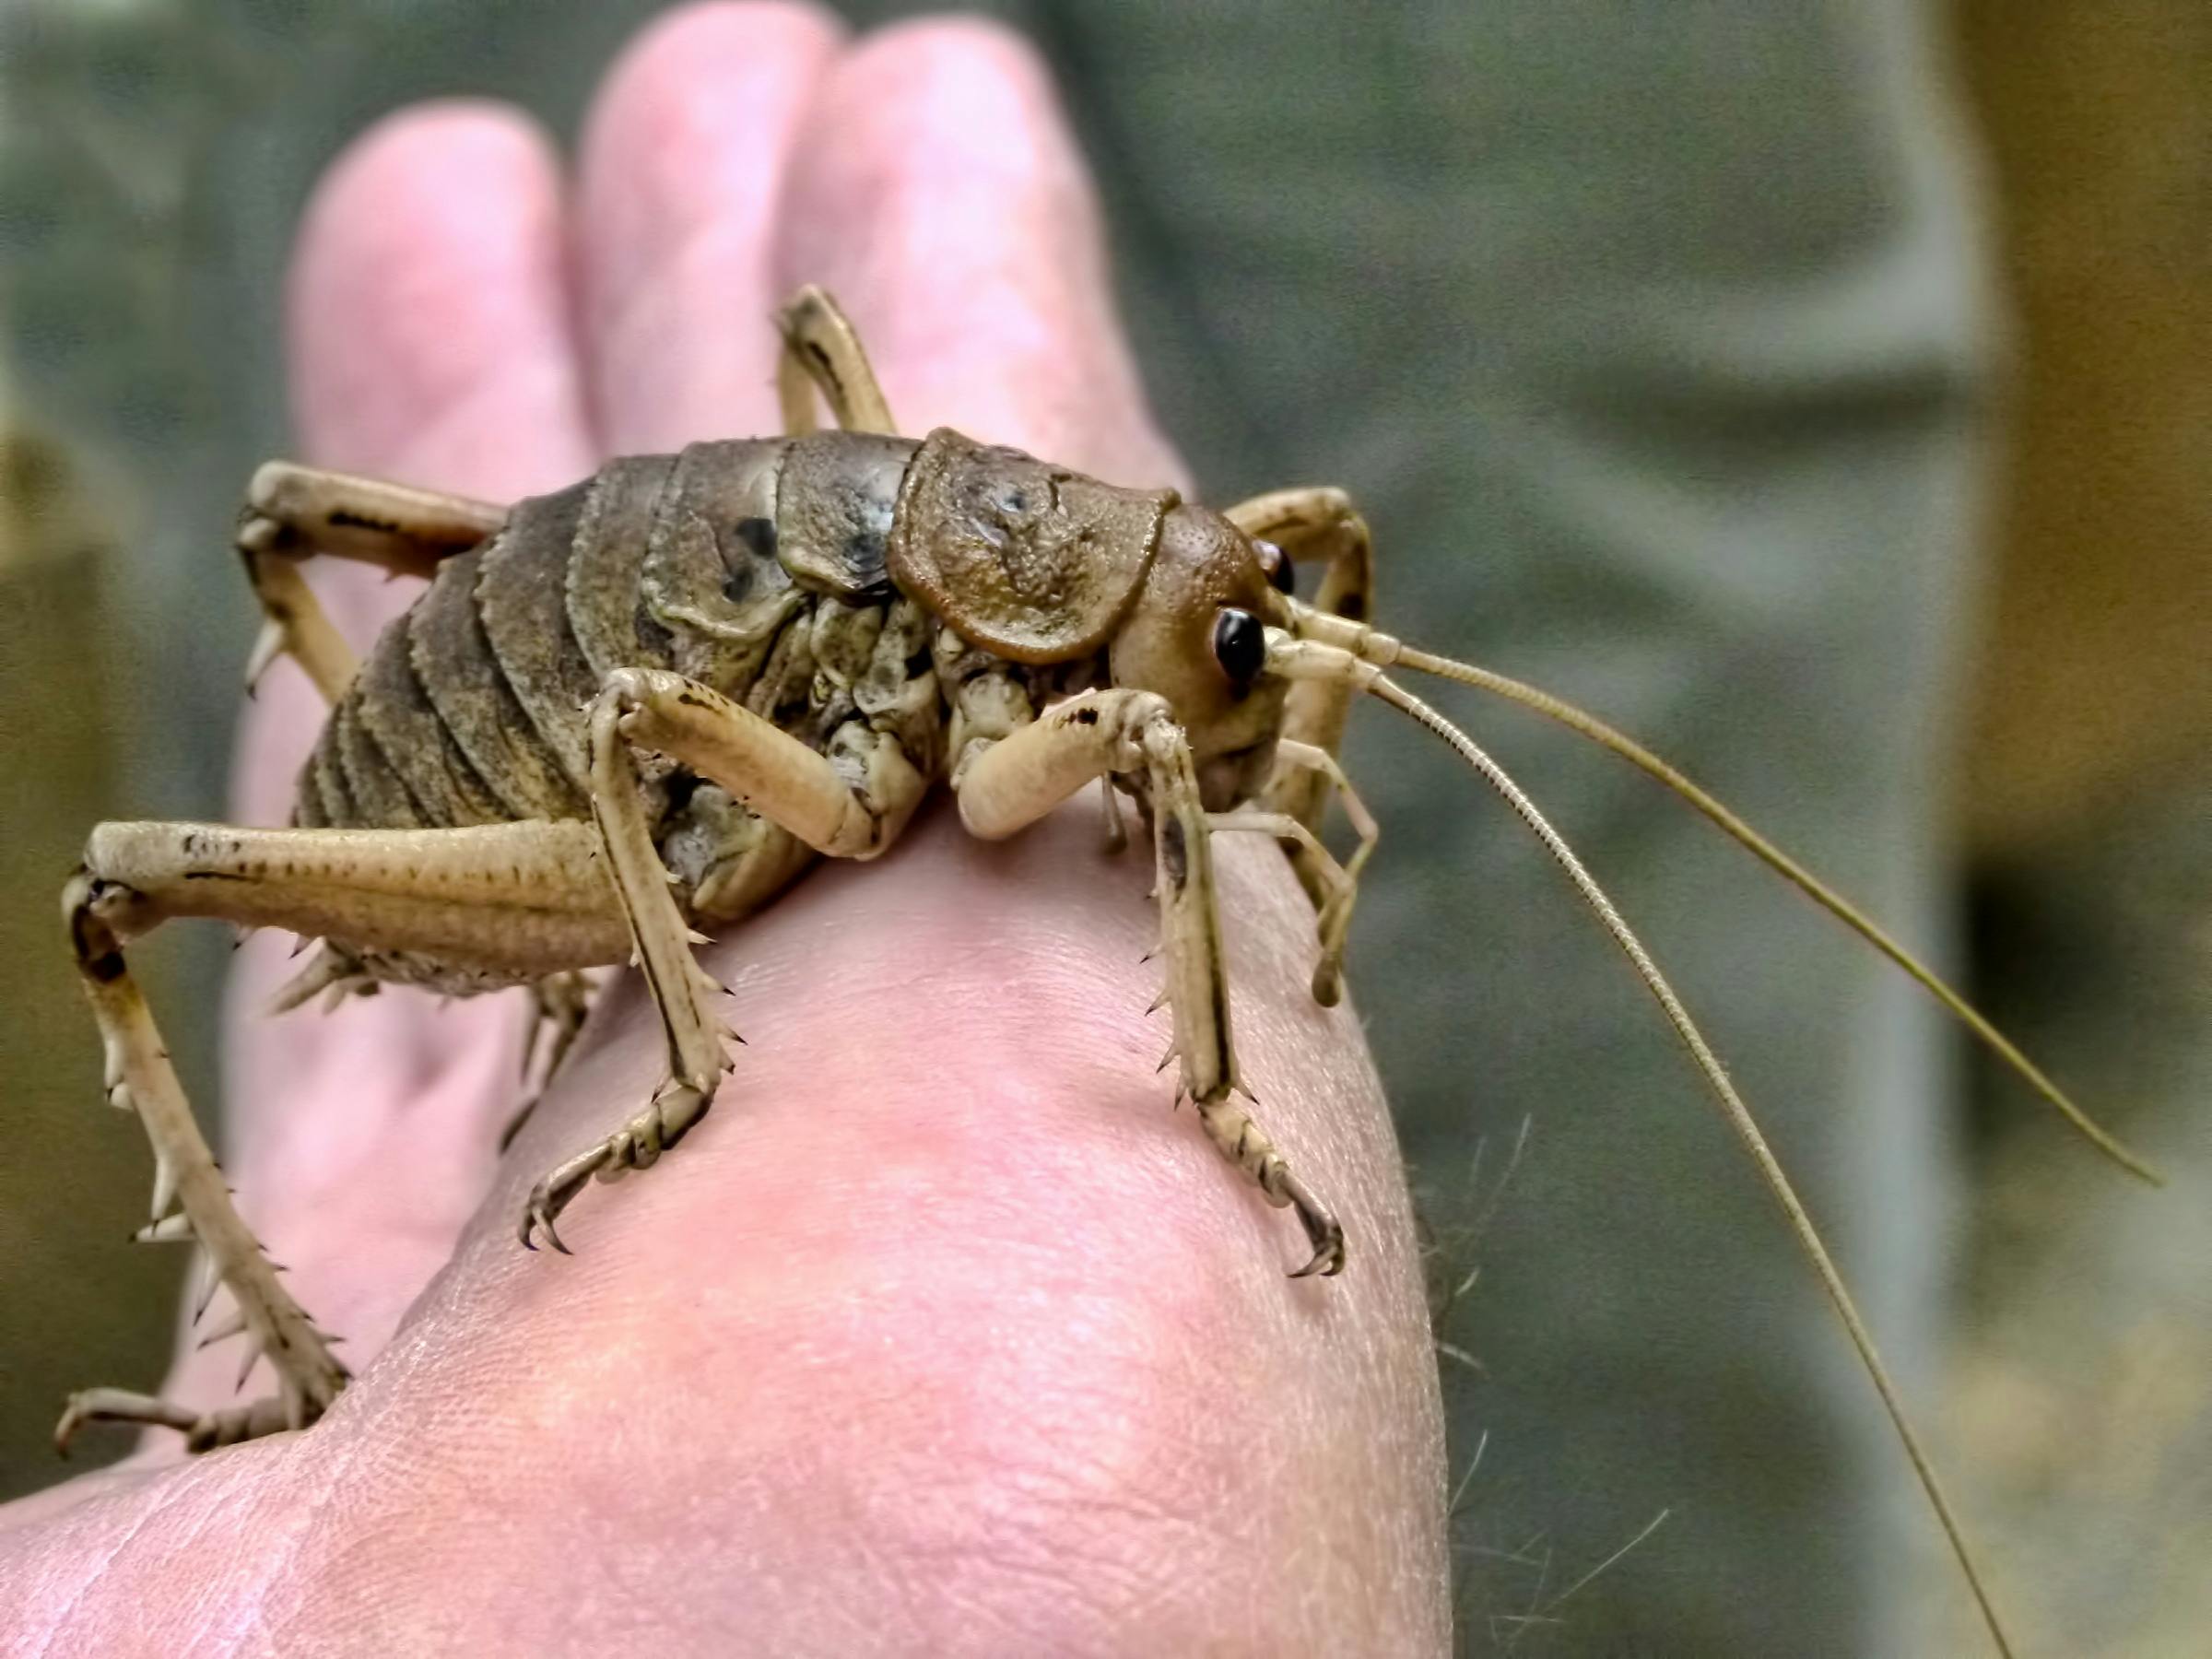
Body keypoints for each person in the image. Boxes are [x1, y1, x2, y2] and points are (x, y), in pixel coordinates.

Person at [0, 12, 1449, 1651]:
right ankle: (302, 1375)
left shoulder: (1023, 627)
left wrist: (1284, 769)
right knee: (132, 885)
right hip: (566, 768)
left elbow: (1310, 550)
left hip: (682, 609)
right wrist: (684, 1070)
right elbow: (642, 728)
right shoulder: (1059, 716)